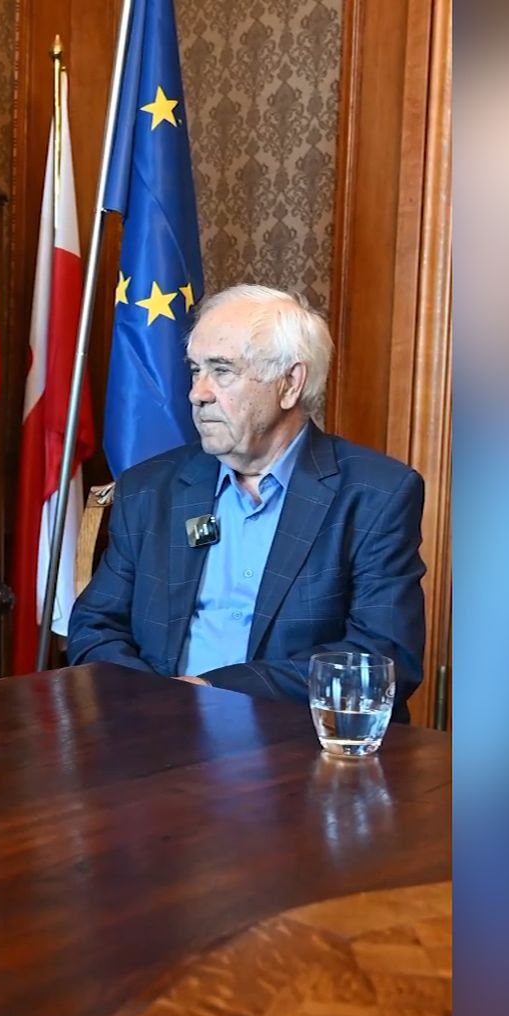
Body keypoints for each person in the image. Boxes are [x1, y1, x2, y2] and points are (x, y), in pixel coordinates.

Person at [66, 285, 427, 717]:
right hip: (155, 734)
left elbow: (383, 657)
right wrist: (154, 703)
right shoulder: (149, 488)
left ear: (290, 384)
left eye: (222, 371)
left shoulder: (376, 494)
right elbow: (95, 627)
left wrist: (210, 692)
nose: (197, 393)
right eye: (195, 369)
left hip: (299, 741)